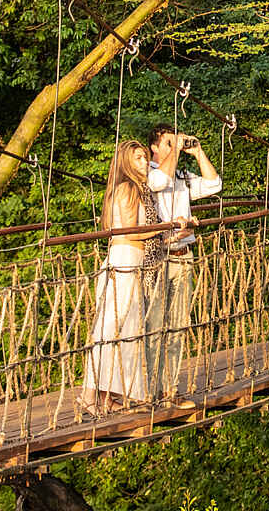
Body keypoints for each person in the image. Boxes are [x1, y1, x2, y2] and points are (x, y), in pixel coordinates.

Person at [79, 140, 180, 415]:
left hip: (132, 262)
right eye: (138, 158)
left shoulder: (138, 189)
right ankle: (89, 396)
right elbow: (127, 233)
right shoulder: (126, 189)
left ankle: (106, 396)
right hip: (123, 260)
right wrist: (163, 227)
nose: (144, 162)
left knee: (126, 331)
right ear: (125, 162)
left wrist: (168, 233)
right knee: (110, 331)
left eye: (145, 157)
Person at [144, 124, 222, 407]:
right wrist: (176, 149)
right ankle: (150, 394)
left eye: (173, 144)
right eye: (167, 143)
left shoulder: (182, 177)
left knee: (177, 328)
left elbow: (214, 185)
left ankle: (171, 391)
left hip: (183, 256)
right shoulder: (147, 173)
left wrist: (198, 152)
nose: (173, 147)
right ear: (154, 147)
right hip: (157, 259)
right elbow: (158, 184)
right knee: (154, 328)